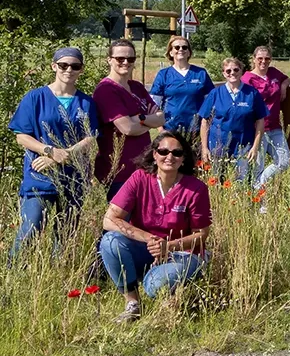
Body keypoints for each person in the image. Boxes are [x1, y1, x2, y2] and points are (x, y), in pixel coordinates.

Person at [99, 130, 210, 323]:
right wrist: (148, 238)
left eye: (176, 153)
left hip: (182, 254)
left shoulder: (196, 188)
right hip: (144, 248)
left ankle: (172, 295)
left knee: (154, 286)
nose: (170, 157)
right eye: (164, 151)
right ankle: (132, 303)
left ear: (183, 158)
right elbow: (109, 220)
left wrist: (168, 246)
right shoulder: (139, 178)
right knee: (110, 241)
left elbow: (201, 235)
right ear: (154, 154)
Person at [8, 47, 98, 258]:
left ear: (81, 69)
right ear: (54, 66)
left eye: (75, 66)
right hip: (40, 176)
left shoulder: (86, 102)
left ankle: (60, 276)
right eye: (63, 65)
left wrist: (62, 155)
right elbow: (21, 135)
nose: (69, 70)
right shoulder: (35, 98)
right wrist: (49, 151)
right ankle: (13, 273)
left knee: (66, 234)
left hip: (74, 176)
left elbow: (91, 137)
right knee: (30, 228)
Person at [94, 39, 164, 199]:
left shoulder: (137, 87)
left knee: (142, 221)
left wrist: (139, 118)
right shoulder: (106, 90)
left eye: (131, 59)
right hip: (119, 171)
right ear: (109, 60)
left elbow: (161, 118)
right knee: (121, 222)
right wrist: (149, 121)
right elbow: (128, 129)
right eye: (120, 59)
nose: (126, 62)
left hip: (143, 168)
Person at [197, 58, 267, 183]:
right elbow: (204, 122)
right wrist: (204, 148)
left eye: (236, 69)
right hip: (217, 147)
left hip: (243, 146)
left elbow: (260, 122)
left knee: (241, 182)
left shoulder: (252, 93)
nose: (232, 73)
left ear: (241, 71)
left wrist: (255, 147)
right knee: (216, 181)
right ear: (223, 73)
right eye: (228, 71)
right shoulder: (215, 93)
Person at [242, 47, 290, 191]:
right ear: (254, 59)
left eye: (267, 58)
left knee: (284, 162)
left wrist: (283, 87)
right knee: (258, 166)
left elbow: (286, 78)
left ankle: (258, 185)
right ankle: (260, 202)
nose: (264, 61)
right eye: (260, 58)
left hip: (275, 127)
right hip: (257, 129)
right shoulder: (247, 78)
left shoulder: (274, 73)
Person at [148, 36, 213, 134]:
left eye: (184, 47)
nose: (181, 49)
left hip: (196, 130)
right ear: (171, 52)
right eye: (177, 47)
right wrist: (161, 130)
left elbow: (211, 102)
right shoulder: (163, 74)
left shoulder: (201, 73)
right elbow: (154, 104)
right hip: (171, 130)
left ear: (189, 52)